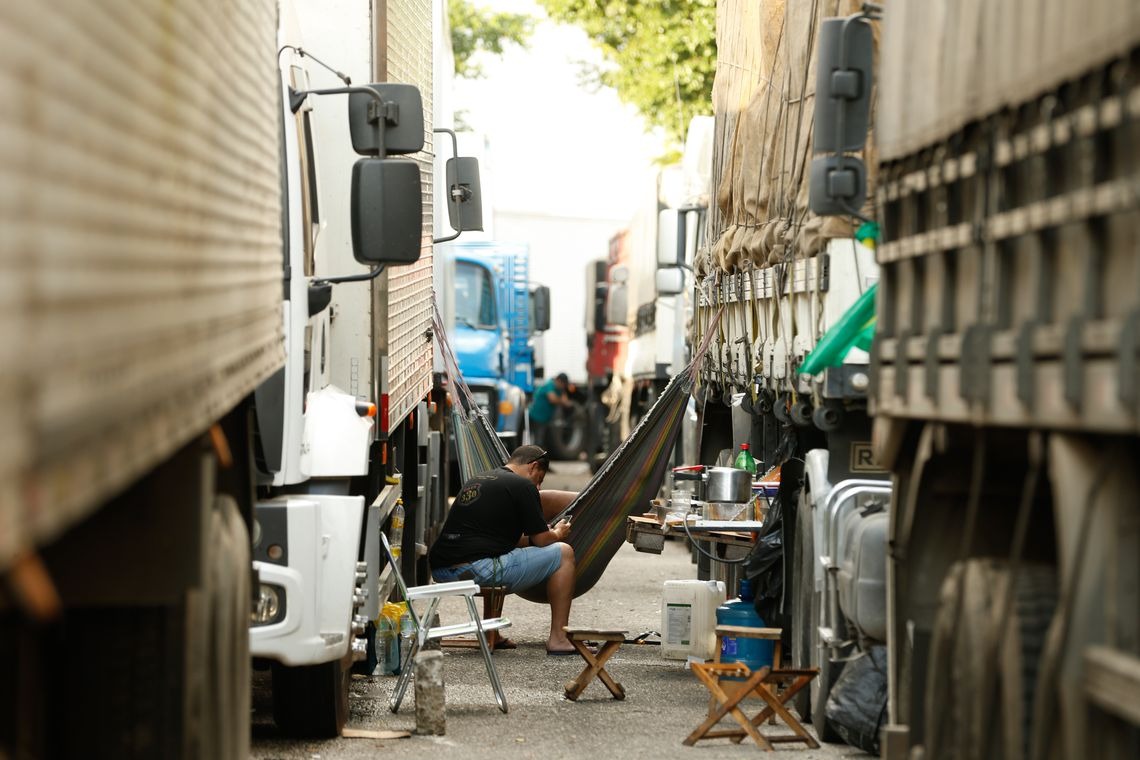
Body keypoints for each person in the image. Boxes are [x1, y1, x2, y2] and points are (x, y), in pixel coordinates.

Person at [429, 444, 578, 655]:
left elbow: (511, 542)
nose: (538, 487)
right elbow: (543, 541)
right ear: (533, 467)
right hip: (477, 571)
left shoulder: (479, 479)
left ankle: (492, 632)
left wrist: (541, 536)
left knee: (500, 554)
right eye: (540, 480)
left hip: (442, 571)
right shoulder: (523, 486)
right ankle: (558, 638)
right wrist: (558, 533)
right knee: (564, 553)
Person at [527, 372, 571, 449]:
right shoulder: (549, 385)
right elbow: (552, 399)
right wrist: (561, 401)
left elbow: (566, 402)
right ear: (559, 381)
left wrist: (562, 399)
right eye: (563, 384)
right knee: (537, 440)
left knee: (540, 439)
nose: (563, 386)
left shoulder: (559, 389)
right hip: (536, 416)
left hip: (544, 419)